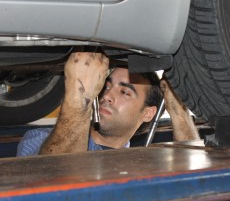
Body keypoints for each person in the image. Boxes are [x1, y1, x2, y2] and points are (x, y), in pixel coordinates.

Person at [17, 52, 200, 156]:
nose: (106, 95)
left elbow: (198, 180)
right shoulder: (40, 139)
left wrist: (179, 112)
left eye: (124, 92)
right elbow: (55, 182)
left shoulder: (143, 165)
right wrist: (80, 96)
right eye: (106, 85)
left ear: (148, 113)